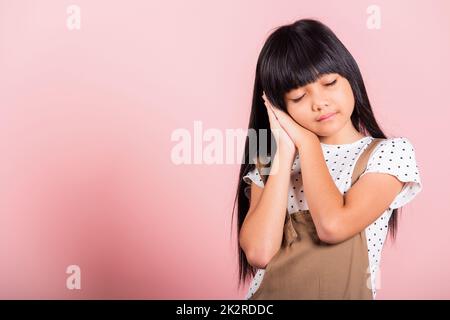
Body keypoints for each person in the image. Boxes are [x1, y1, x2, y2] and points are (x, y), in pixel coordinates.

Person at [232, 18, 423, 299]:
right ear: (278, 107)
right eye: (298, 96)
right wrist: (285, 153)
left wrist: (308, 145)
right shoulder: (270, 163)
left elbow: (333, 226)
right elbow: (260, 253)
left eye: (329, 83)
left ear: (350, 77)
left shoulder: (389, 154)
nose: (319, 102)